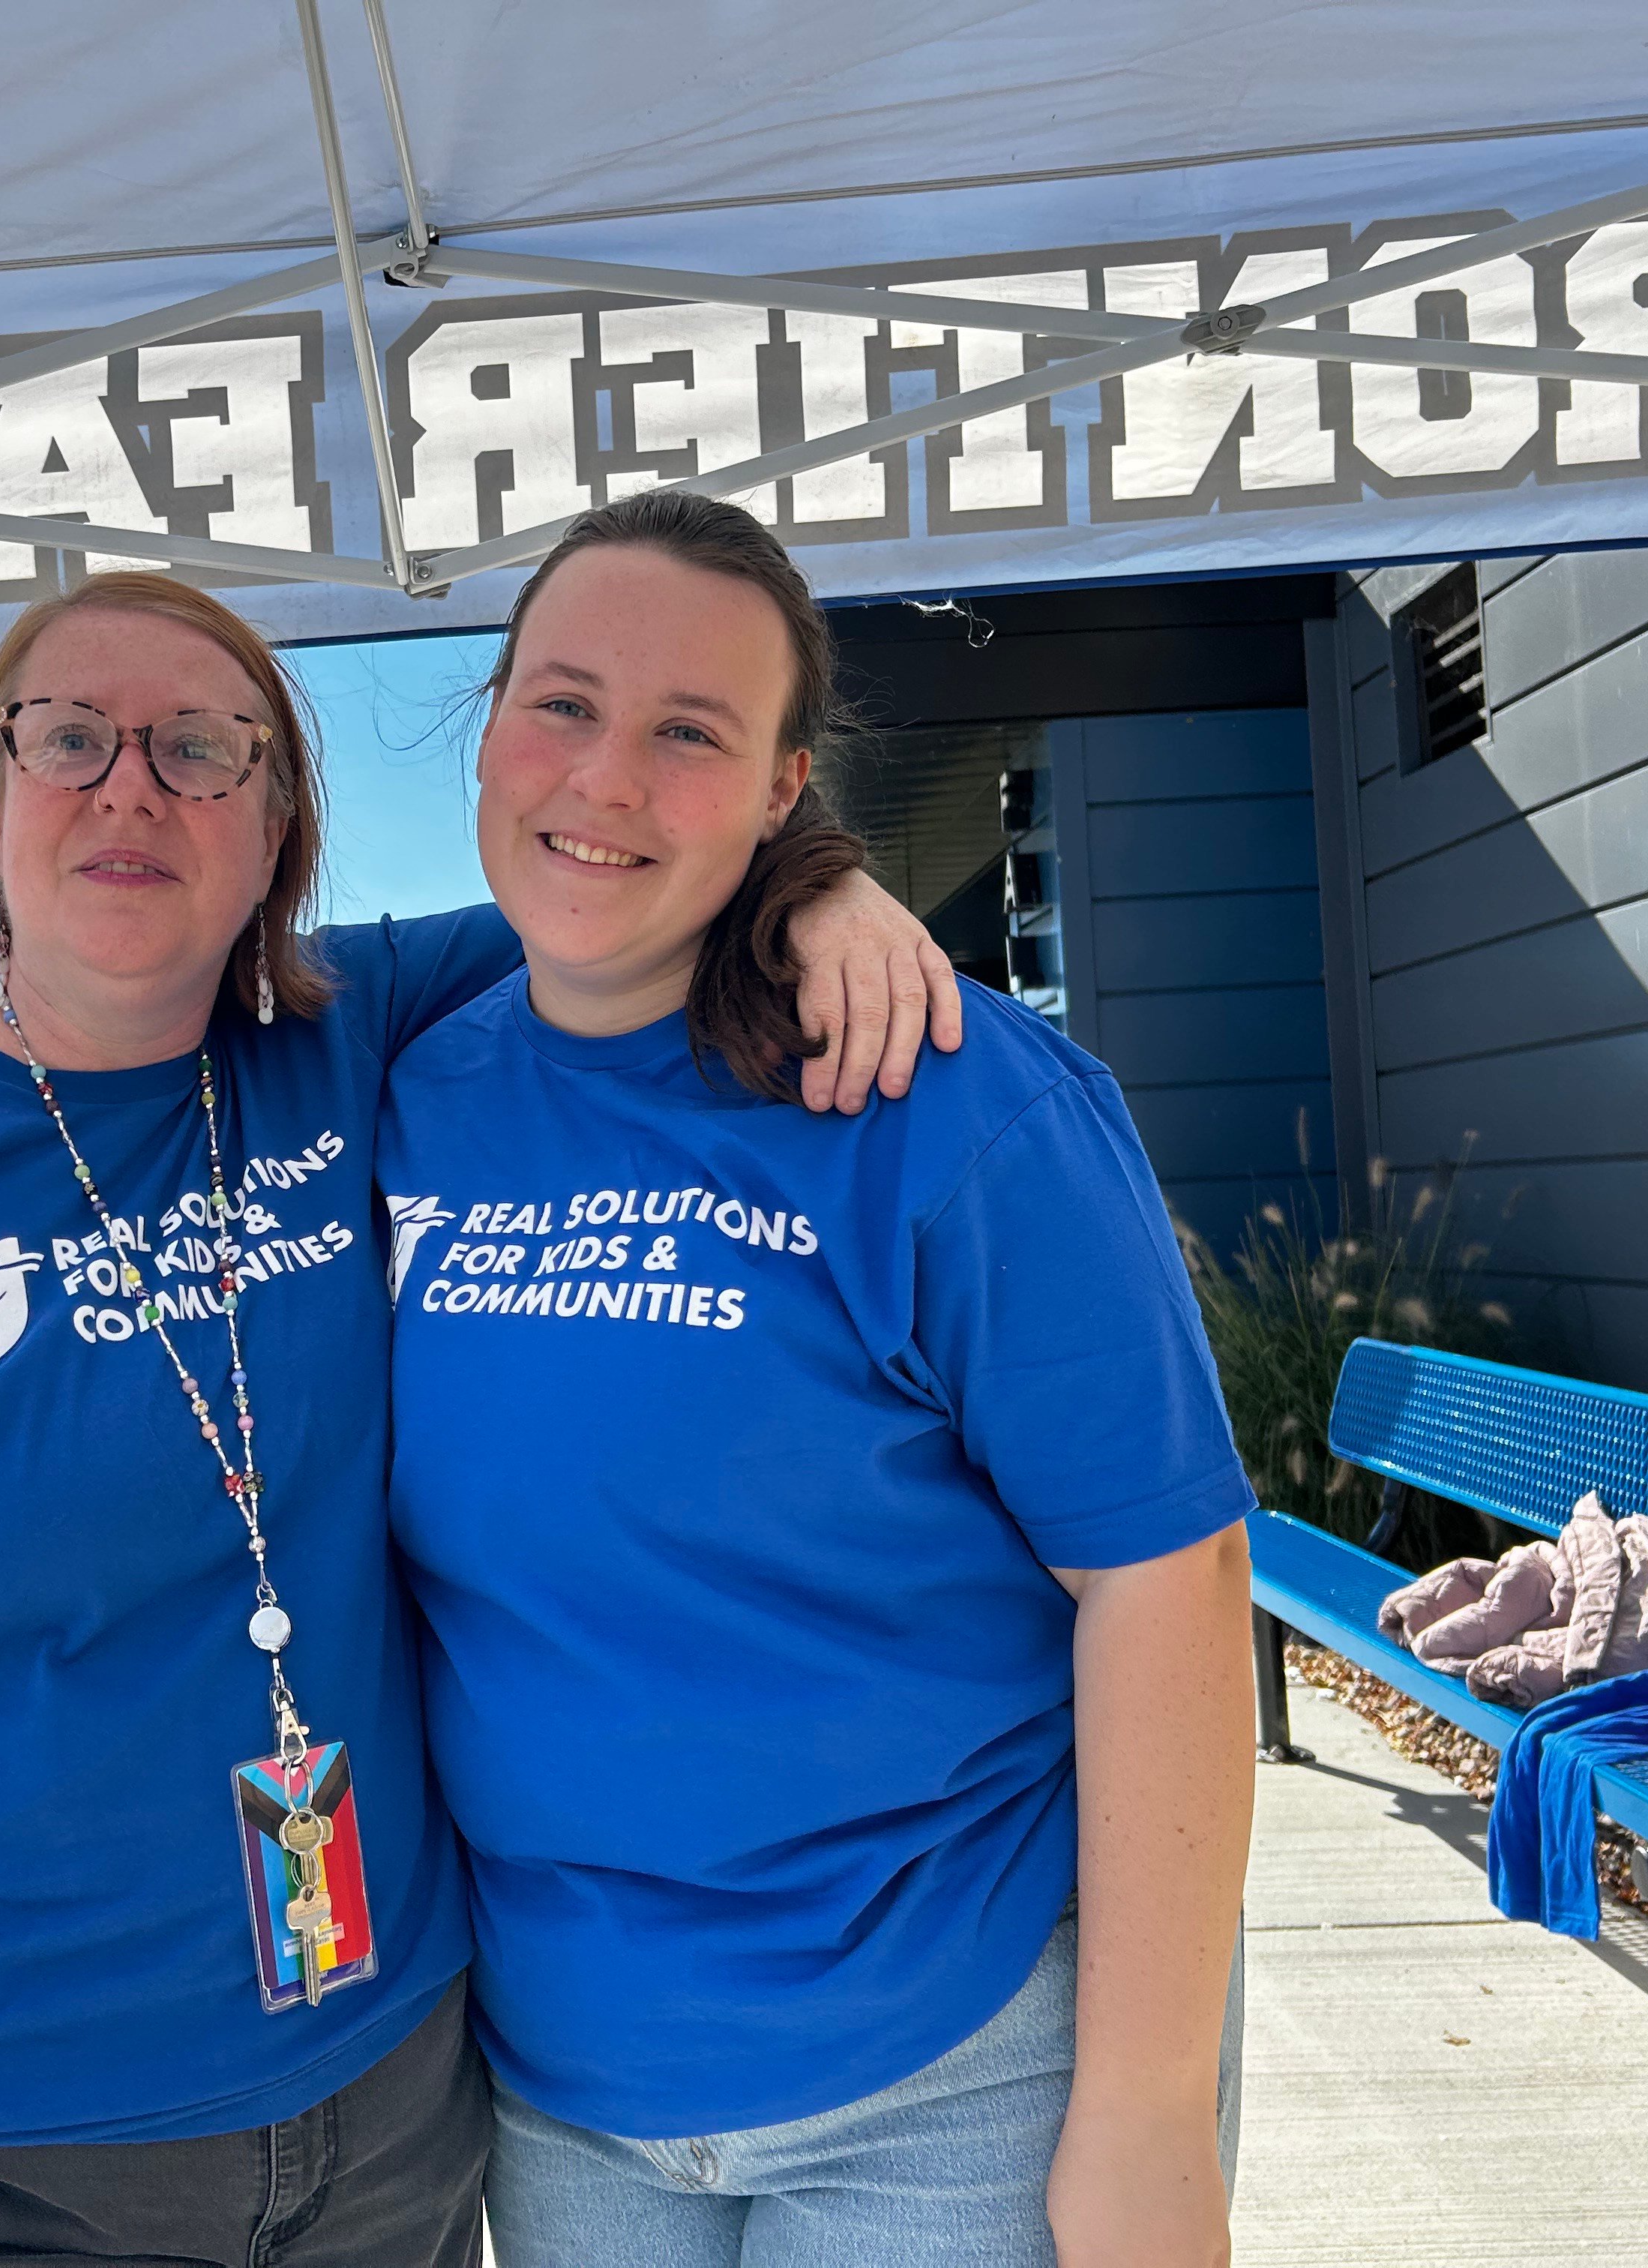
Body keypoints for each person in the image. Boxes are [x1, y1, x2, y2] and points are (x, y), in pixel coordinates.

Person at [0, 568, 964, 2268]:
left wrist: (827, 887)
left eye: (204, 750)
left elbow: (626, 869)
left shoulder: (342, 1041)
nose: (130, 785)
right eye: (69, 737)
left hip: (396, 2115)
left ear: (276, 828)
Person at [380, 490, 1257, 2268]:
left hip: (961, 2063)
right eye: (563, 703)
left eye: (690, 731)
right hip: (564, 2081)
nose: (607, 779)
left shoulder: (948, 1097)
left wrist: (1152, 2114)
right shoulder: (399, 1086)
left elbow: (1168, 1583)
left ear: (788, 791)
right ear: (490, 724)